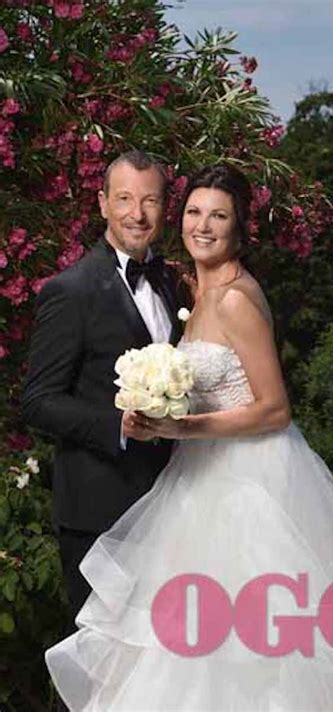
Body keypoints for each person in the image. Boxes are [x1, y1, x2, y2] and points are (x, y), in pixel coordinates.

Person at [44, 164, 333, 711]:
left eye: (219, 216)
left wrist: (181, 425)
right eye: (194, 212)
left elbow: (274, 409)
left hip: (249, 485)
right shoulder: (193, 290)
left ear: (240, 230)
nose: (203, 226)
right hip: (197, 477)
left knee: (244, 645)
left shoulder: (237, 298)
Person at [21, 150, 182, 628]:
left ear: (164, 207)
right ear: (102, 203)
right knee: (102, 668)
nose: (138, 213)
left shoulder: (173, 282)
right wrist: (119, 425)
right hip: (99, 513)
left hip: (173, 507)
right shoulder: (70, 290)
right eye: (126, 199)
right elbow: (38, 401)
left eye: (150, 200)